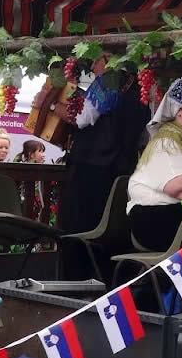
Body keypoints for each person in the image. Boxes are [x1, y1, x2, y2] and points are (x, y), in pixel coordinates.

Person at [57, 57, 150, 235]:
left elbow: (81, 118)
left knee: (80, 225)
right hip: (121, 169)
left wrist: (52, 105)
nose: (93, 66)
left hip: (91, 168)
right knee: (109, 225)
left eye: (96, 60)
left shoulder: (107, 82)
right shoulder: (139, 87)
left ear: (109, 59)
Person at [128, 77, 182, 251]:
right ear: (179, 110)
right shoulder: (166, 139)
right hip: (155, 222)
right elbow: (180, 185)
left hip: (177, 215)